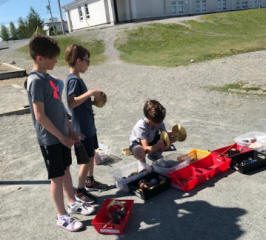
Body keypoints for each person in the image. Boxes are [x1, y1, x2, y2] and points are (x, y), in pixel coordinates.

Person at [26, 35, 95, 232]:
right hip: (50, 139)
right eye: (52, 58)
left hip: (62, 136)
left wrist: (70, 130)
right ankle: (61, 216)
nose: (56, 61)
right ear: (39, 58)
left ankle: (72, 201)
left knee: (65, 170)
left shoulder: (49, 79)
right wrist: (61, 137)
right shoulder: (35, 81)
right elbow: (40, 116)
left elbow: (59, 108)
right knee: (56, 177)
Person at [64, 44, 109, 204]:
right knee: (85, 159)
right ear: (78, 61)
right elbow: (71, 102)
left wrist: (92, 102)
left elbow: (80, 102)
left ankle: (89, 180)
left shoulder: (77, 79)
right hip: (81, 130)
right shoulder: (73, 80)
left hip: (88, 127)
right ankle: (80, 190)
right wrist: (90, 92)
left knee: (90, 156)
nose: (88, 64)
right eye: (87, 61)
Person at [129, 99, 173, 172]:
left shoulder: (158, 120)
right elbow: (145, 148)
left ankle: (154, 155)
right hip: (138, 143)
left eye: (160, 121)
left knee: (171, 137)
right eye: (157, 122)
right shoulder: (141, 126)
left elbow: (164, 133)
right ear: (149, 118)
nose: (159, 123)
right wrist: (158, 145)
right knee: (138, 150)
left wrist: (171, 134)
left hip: (151, 139)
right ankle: (142, 163)